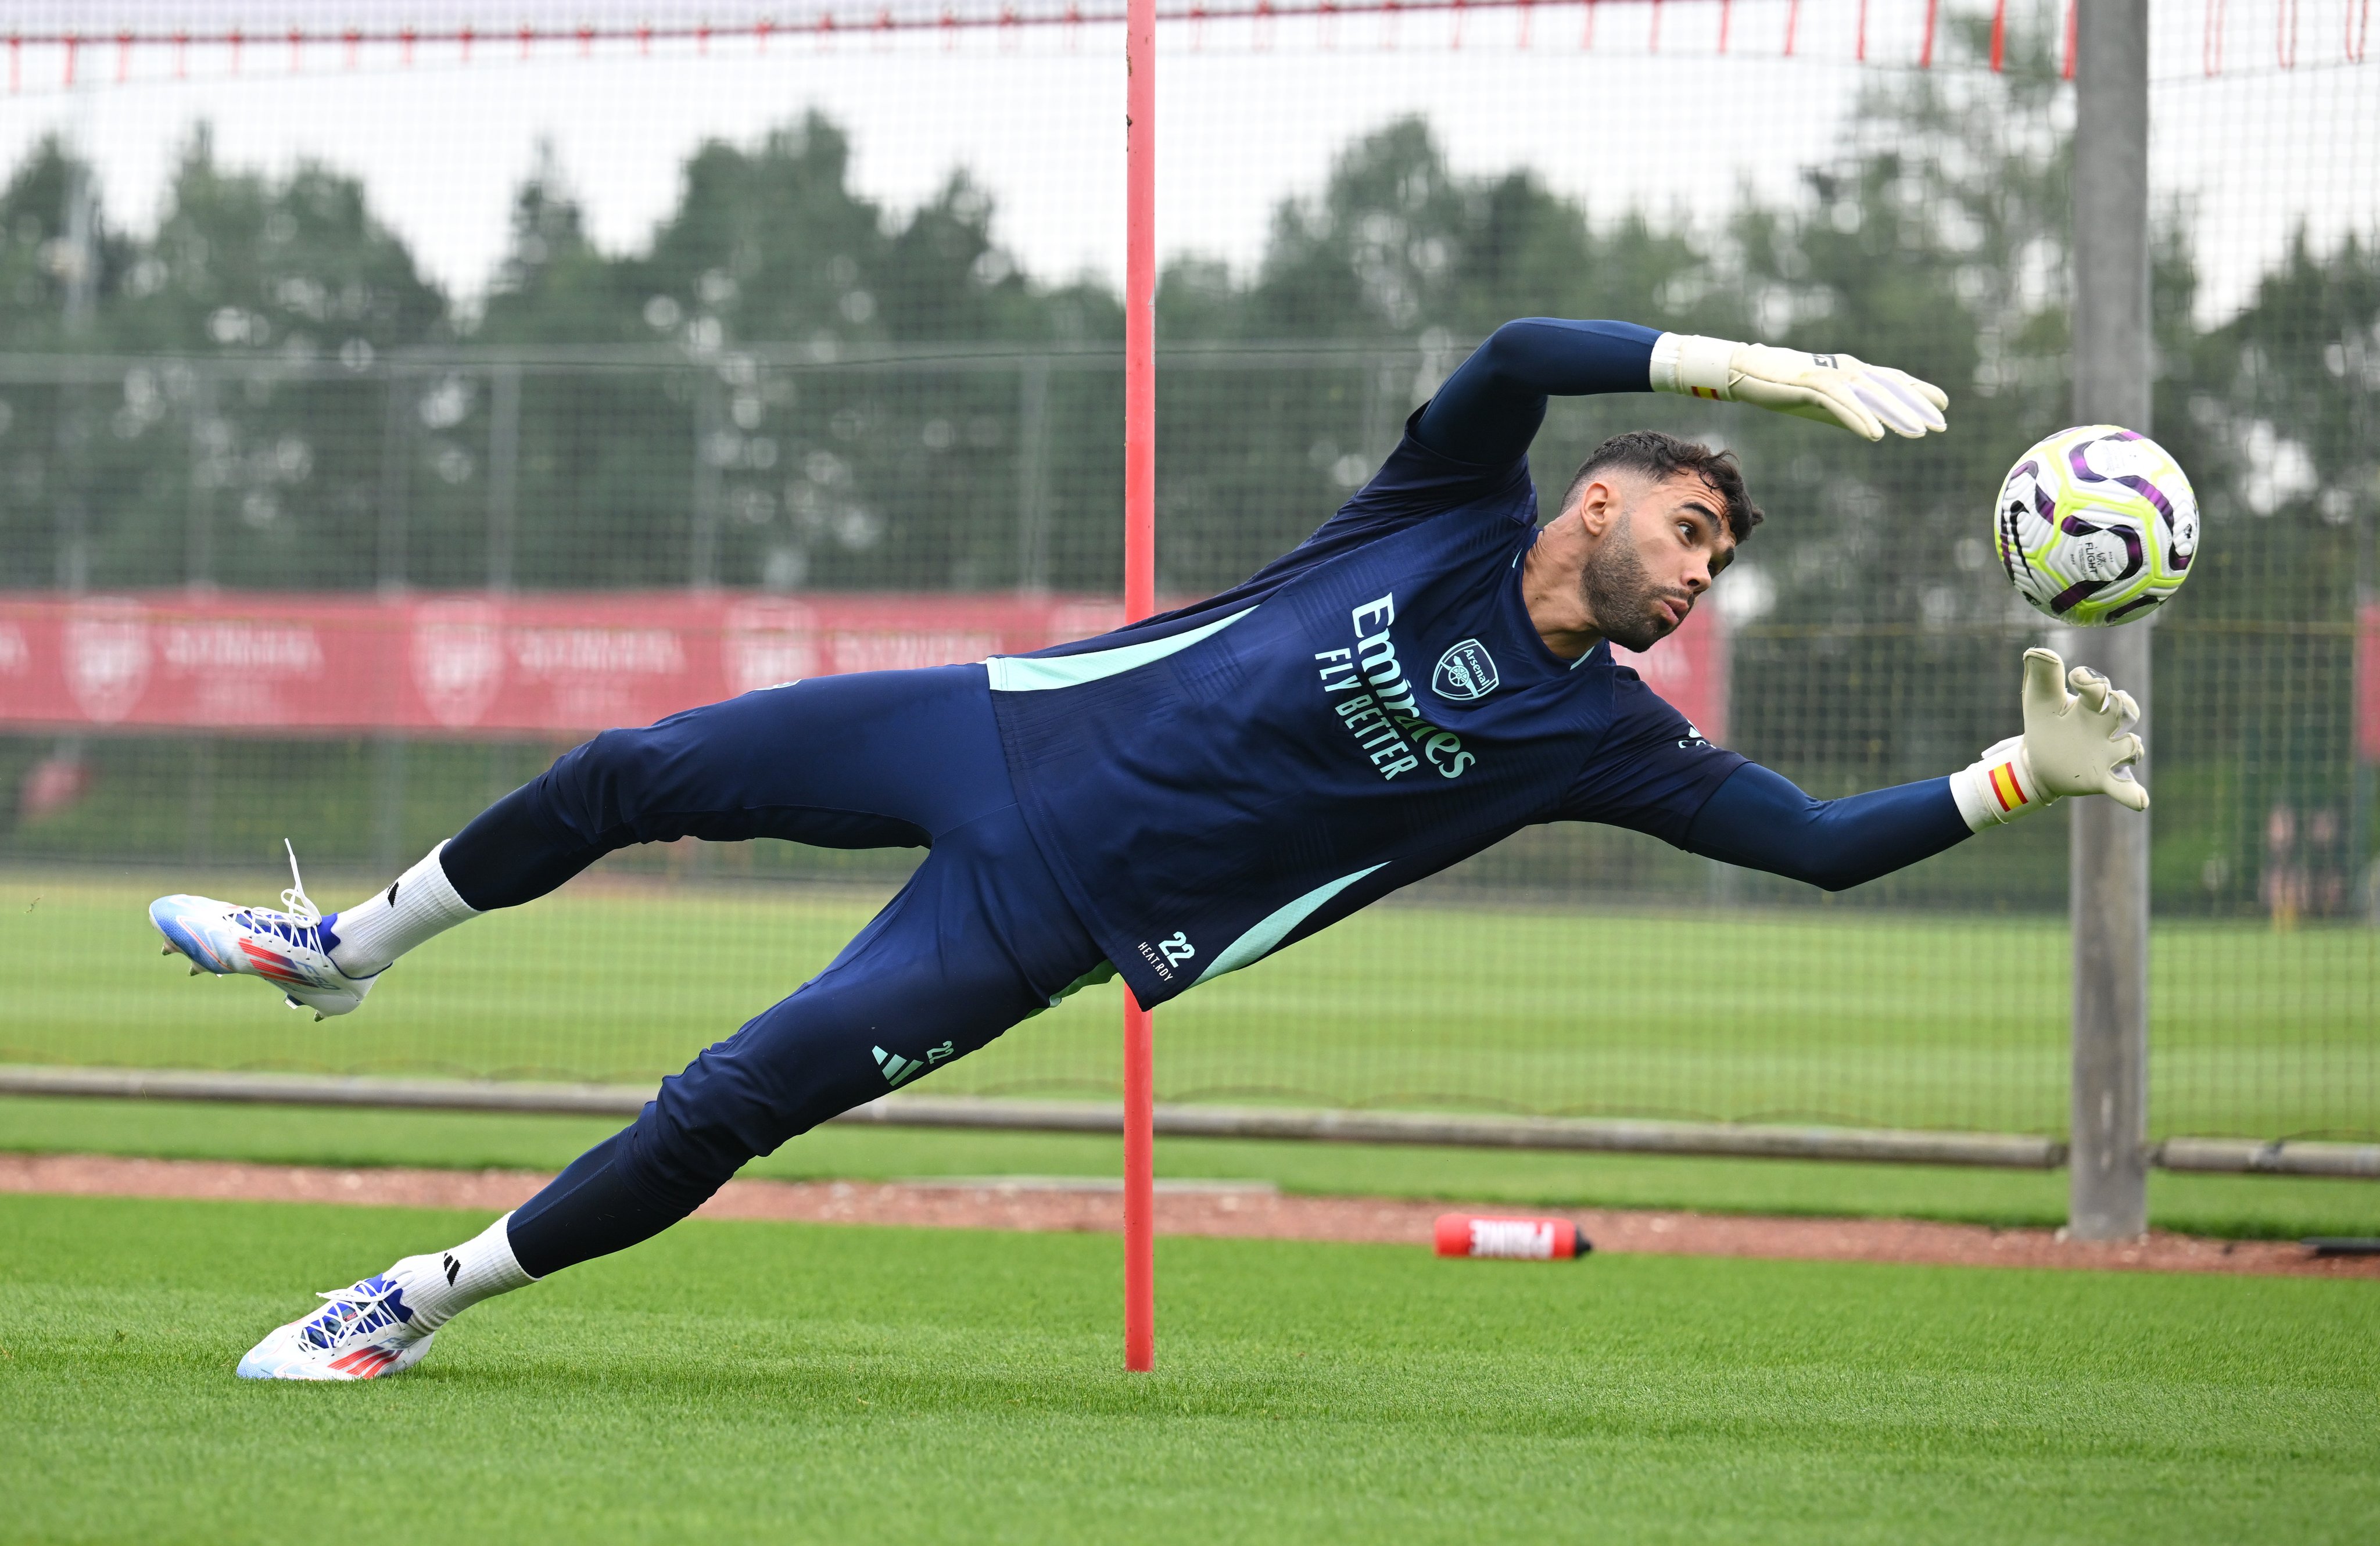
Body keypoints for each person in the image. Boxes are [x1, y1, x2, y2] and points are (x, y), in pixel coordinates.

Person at [149, 320, 2147, 1381]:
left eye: (1715, 564)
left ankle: (410, 1299)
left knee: (730, 1094)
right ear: (1604, 503)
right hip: (998, 722)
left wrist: (2015, 781)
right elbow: (1530, 343)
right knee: (630, 759)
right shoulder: (1449, 505)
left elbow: (1809, 846)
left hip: (1055, 909)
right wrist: (1748, 366)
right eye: (1691, 536)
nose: (1696, 579)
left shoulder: (1597, 740)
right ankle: (351, 950)